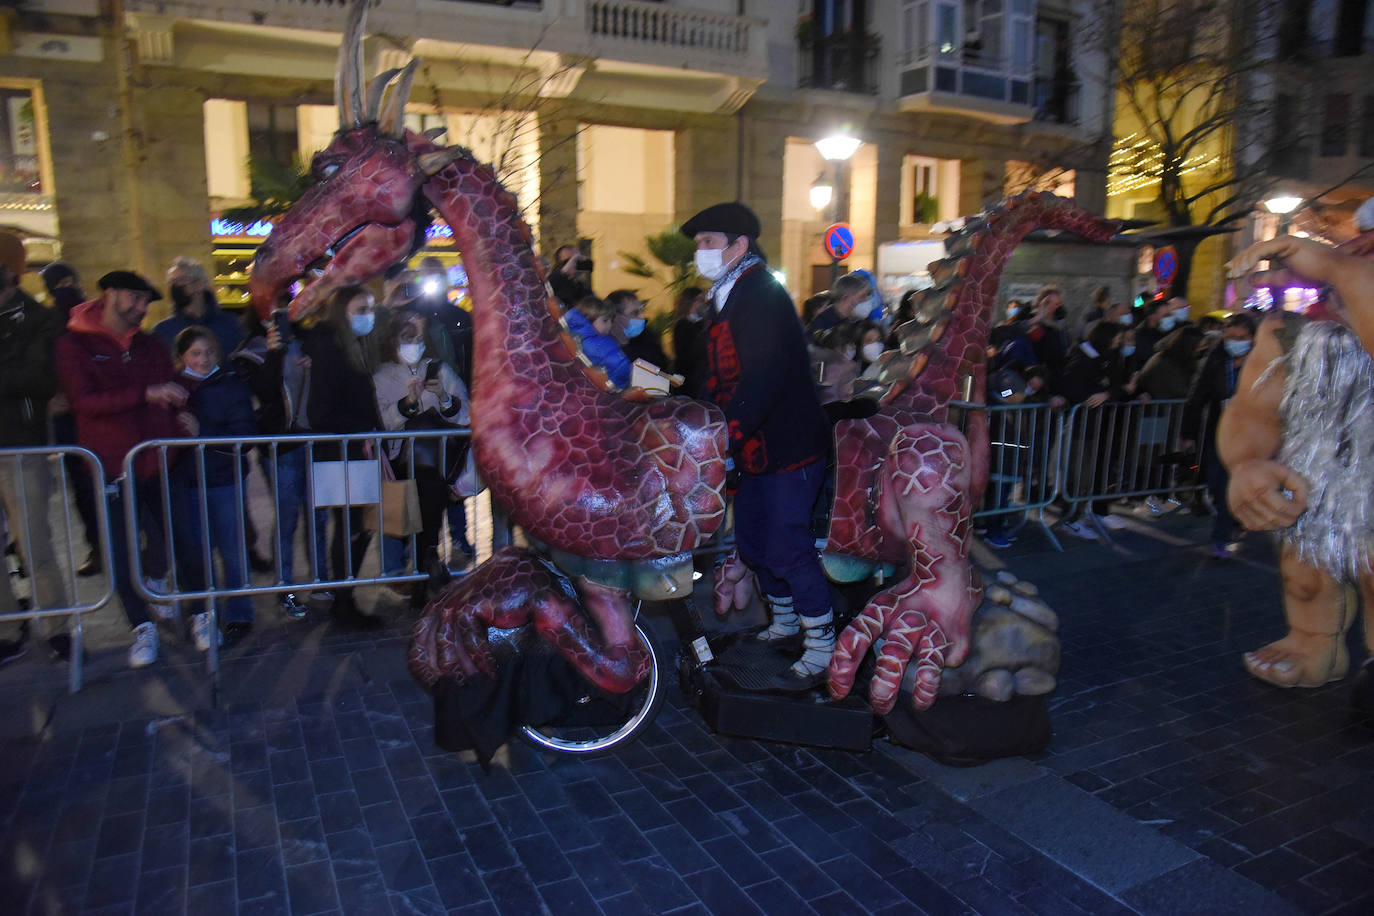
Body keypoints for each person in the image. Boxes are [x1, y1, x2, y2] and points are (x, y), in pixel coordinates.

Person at [683, 201, 833, 690]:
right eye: (699, 245)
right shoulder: (725, 295)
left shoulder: (761, 293)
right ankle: (785, 622)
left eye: (707, 243)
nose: (699, 253)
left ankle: (821, 645)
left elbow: (764, 375)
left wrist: (729, 430)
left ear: (738, 245)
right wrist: (704, 415)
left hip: (787, 445)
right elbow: (720, 375)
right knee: (752, 541)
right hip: (752, 447)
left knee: (789, 546)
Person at [1221, 235, 1374, 700]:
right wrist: (1246, 465)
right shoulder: (1289, 334)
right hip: (1317, 482)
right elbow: (1252, 411)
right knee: (1306, 571)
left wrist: (1337, 266)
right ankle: (1312, 641)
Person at [56, 270, 188, 668]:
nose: (141, 308)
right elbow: (84, 401)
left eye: (146, 301)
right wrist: (143, 394)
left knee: (171, 535)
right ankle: (140, 625)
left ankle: (159, 588)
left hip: (157, 457)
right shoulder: (74, 345)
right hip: (111, 462)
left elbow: (172, 385)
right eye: (135, 298)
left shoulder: (150, 344)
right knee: (119, 547)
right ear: (110, 294)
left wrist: (184, 416)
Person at [0, 232, 73, 663]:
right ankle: (8, 627)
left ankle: (57, 623)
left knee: (34, 543)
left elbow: (37, 378)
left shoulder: (38, 320)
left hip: (21, 445)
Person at [230, 307, 328, 616]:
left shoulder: (305, 340)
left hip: (313, 440)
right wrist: (274, 353)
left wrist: (315, 368)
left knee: (319, 516)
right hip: (280, 446)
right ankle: (284, 587)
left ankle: (321, 581)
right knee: (287, 518)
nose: (278, 319)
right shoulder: (251, 351)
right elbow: (264, 391)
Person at [302, 285, 386, 630]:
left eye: (370, 308)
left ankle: (345, 596)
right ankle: (343, 600)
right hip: (340, 451)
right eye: (361, 308)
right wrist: (362, 428)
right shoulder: (330, 349)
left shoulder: (357, 347)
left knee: (359, 526)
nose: (368, 315)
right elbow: (320, 412)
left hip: (356, 450)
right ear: (342, 312)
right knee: (350, 528)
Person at [373, 310, 469, 607]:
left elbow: (466, 413)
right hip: (401, 464)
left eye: (417, 338)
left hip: (436, 464)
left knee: (429, 517)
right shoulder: (382, 377)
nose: (414, 344)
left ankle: (427, 566)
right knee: (407, 522)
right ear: (393, 341)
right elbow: (382, 421)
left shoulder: (439, 370)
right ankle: (425, 569)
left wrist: (443, 398)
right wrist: (407, 404)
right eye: (407, 338)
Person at [169, 326, 257, 644]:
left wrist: (202, 434)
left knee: (232, 550)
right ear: (182, 357)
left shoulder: (231, 385)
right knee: (198, 553)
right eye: (196, 353)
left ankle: (240, 611)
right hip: (186, 483)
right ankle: (203, 612)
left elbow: (244, 435)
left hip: (223, 480)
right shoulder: (175, 388)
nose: (203, 359)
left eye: (208, 352)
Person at [409, 257, 475, 557]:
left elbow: (471, 358)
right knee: (422, 484)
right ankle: (421, 548)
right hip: (423, 410)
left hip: (454, 402)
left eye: (438, 276)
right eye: (428, 276)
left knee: (456, 475)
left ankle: (459, 537)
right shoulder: (413, 316)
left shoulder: (460, 317)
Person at [40, 260, 102, 576]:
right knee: (83, 485)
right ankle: (98, 546)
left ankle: (121, 545)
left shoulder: (94, 316)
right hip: (71, 416)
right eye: (60, 284)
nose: (67, 289)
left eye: (69, 282)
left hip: (99, 410)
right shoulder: (47, 323)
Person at [1181, 312, 1256, 558]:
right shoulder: (1216, 359)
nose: (1235, 341)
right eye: (1231, 336)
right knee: (1215, 482)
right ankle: (1234, 519)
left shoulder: (1261, 362)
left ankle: (1221, 536)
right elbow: (1197, 395)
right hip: (1220, 431)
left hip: (1251, 436)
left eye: (1241, 337)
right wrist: (1188, 433)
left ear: (1252, 338)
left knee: (1231, 485)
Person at [1058, 320, 1129, 539]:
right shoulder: (1081, 358)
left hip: (1099, 427)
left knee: (1093, 474)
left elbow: (1118, 386)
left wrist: (1107, 393)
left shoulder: (1106, 358)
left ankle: (1089, 513)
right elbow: (1076, 390)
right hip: (1081, 426)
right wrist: (1103, 389)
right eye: (1116, 339)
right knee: (1079, 475)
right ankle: (1071, 518)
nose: (1119, 343)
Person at [152, 257, 244, 359]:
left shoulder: (231, 325)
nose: (175, 286)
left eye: (181, 280)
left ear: (200, 284)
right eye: (172, 282)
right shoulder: (163, 331)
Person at [576, 295, 633, 388]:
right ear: (588, 319)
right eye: (605, 320)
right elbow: (621, 368)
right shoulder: (603, 343)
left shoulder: (576, 338)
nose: (610, 325)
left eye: (611, 320)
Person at [608, 289, 670, 372]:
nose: (641, 317)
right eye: (635, 313)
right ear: (615, 317)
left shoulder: (650, 342)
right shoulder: (601, 346)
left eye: (641, 311)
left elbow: (662, 372)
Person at [806, 272, 875, 338]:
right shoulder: (822, 325)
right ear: (845, 298)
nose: (866, 300)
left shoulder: (862, 323)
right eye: (862, 296)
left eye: (867, 295)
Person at [670, 286, 709, 398]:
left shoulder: (701, 324)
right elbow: (689, 354)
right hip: (690, 382)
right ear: (690, 302)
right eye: (701, 300)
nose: (704, 303)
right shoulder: (682, 326)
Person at [548, 244, 593, 310]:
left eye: (577, 260)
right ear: (559, 264)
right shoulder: (553, 281)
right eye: (568, 261)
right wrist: (563, 272)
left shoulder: (580, 286)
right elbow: (547, 289)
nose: (573, 263)